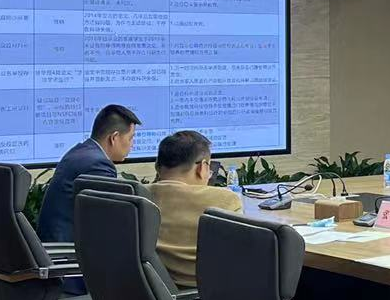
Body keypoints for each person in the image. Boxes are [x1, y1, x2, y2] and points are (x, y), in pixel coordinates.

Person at [147, 130, 242, 289]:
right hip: (216, 290)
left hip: (155, 291)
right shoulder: (225, 199)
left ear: (158, 166)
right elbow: (240, 251)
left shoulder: (139, 196)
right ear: (202, 167)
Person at [36, 104, 141, 248]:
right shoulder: (98, 165)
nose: (132, 145)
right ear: (114, 138)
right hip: (66, 250)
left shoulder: (80, 152)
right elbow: (109, 221)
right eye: (130, 138)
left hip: (54, 245)